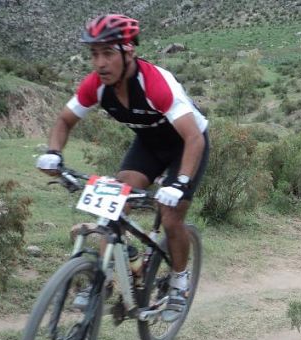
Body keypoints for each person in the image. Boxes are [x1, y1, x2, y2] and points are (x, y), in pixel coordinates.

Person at [36, 14, 209, 321]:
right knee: (113, 203)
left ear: (128, 51)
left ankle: (179, 283)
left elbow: (193, 136)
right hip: (148, 144)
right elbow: (64, 120)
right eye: (94, 54)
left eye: (108, 53)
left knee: (171, 218)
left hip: (187, 145)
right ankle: (101, 279)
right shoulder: (97, 86)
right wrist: (54, 153)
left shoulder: (155, 85)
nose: (100, 63)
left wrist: (180, 182)